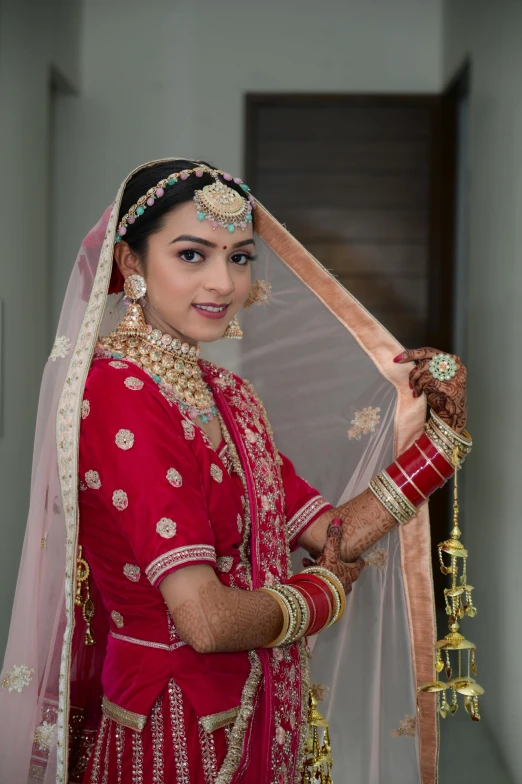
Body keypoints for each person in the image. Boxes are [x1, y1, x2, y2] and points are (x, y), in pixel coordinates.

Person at [0, 158, 470, 784]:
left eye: (240, 257)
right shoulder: (119, 393)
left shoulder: (227, 394)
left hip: (257, 715)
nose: (223, 282)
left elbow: (331, 532)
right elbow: (205, 620)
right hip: (173, 735)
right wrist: (326, 594)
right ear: (131, 264)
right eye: (193, 255)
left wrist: (440, 443)